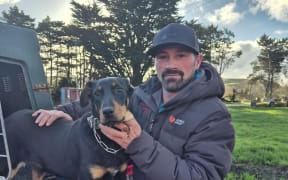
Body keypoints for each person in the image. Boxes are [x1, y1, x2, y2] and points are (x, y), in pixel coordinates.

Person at [35, 23, 235, 180]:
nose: (171, 64)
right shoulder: (142, 94)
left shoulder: (214, 116)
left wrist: (138, 144)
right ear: (155, 62)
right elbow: (102, 104)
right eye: (163, 57)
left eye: (181, 56)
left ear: (198, 61)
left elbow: (202, 176)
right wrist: (64, 112)